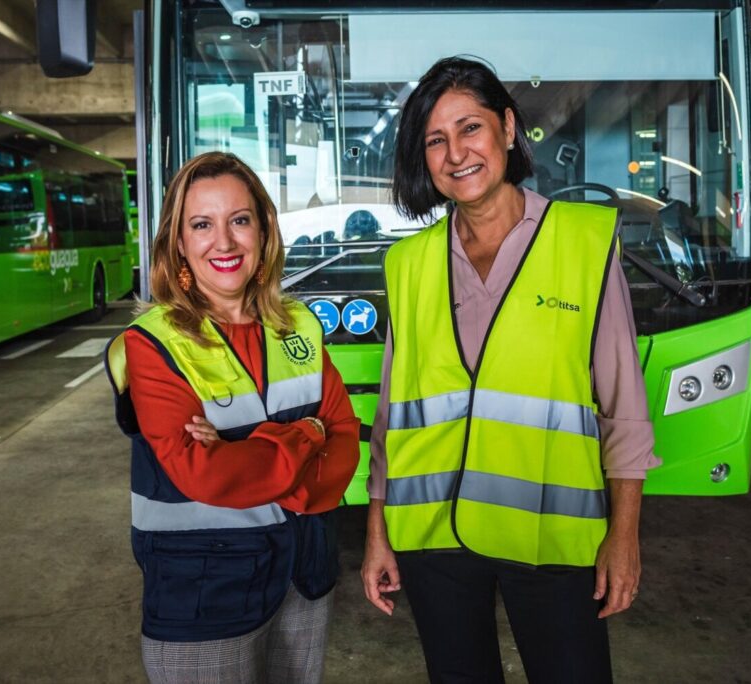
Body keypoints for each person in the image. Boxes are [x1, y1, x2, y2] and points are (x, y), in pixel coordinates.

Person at [360, 57, 661, 683]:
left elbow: (623, 403)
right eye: (435, 140)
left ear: (508, 128)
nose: (456, 153)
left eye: (470, 128)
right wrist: (377, 532)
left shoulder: (581, 241)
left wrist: (624, 534)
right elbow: (393, 416)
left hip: (549, 534)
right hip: (431, 537)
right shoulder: (408, 263)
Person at [105, 151, 360, 683]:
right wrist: (305, 434)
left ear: (264, 232)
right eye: (202, 224)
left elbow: (344, 450)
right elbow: (206, 475)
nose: (223, 242)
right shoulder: (152, 344)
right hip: (204, 596)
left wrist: (250, 448)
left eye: (239, 220)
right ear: (178, 241)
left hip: (303, 579)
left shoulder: (299, 326)